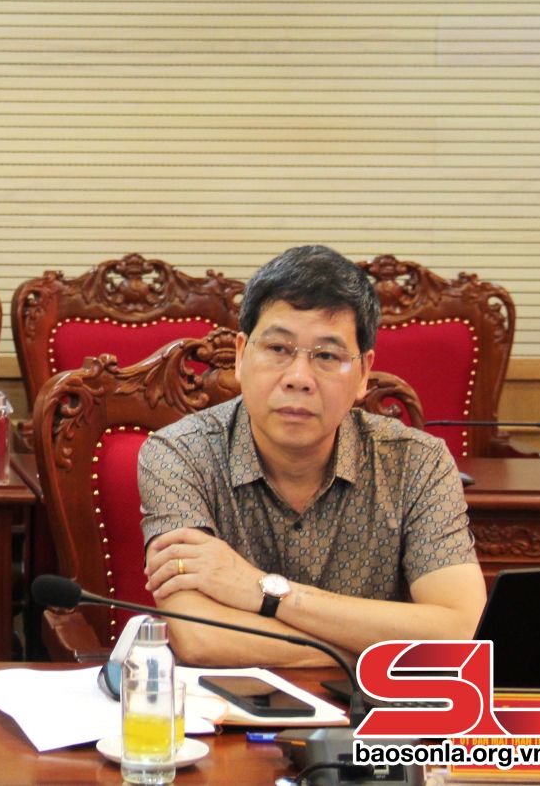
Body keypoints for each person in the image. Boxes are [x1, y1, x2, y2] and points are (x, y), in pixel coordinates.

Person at [137, 244, 485, 666]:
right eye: (278, 349)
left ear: (363, 373)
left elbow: (461, 631)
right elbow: (201, 638)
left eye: (326, 356)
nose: (298, 378)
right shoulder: (179, 454)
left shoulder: (417, 462)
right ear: (242, 356)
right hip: (228, 704)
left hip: (373, 708)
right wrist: (373, 648)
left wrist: (262, 589)